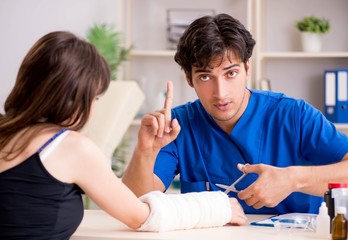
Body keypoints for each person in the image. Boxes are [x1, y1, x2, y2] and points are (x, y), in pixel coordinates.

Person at [0, 31, 247, 239]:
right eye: (94, 98)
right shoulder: (69, 147)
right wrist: (219, 207)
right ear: (75, 96)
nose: (93, 108)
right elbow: (140, 216)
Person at [122, 13, 348, 215]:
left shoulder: (294, 115)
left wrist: (294, 180)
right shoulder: (176, 127)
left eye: (230, 73)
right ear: (189, 78)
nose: (220, 93)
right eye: (205, 77)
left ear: (247, 68)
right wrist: (145, 151)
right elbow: (136, 204)